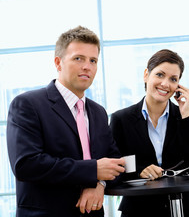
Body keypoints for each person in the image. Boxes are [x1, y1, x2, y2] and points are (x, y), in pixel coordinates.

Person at [6, 26, 125, 217]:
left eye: (93, 60)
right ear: (58, 63)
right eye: (78, 58)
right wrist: (93, 171)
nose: (87, 66)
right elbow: (26, 165)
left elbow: (115, 163)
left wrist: (99, 183)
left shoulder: (98, 112)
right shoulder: (27, 104)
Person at [110, 49, 189, 217]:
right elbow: (115, 163)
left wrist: (185, 116)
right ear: (146, 75)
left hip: (181, 206)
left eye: (173, 79)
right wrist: (140, 171)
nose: (165, 84)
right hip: (137, 209)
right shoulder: (121, 119)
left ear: (178, 86)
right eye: (160, 75)